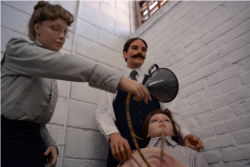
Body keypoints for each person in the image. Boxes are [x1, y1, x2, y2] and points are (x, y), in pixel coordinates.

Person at [0, 1, 151, 167]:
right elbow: (67, 64)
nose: (62, 36)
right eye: (55, 28)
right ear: (37, 28)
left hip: (33, 143)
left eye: (65, 32)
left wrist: (49, 142)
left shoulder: (49, 76)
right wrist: (120, 80)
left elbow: (37, 123)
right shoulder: (17, 49)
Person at [95, 38, 204, 167]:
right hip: (123, 150)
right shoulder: (114, 81)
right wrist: (113, 135)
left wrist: (185, 134)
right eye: (135, 48)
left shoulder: (157, 82)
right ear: (125, 53)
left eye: (144, 50)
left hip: (156, 151)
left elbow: (172, 112)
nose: (140, 52)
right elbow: (102, 112)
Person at [118, 109, 208, 167]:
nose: (161, 121)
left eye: (166, 120)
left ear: (173, 131)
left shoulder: (192, 154)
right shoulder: (133, 157)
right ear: (147, 133)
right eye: (154, 120)